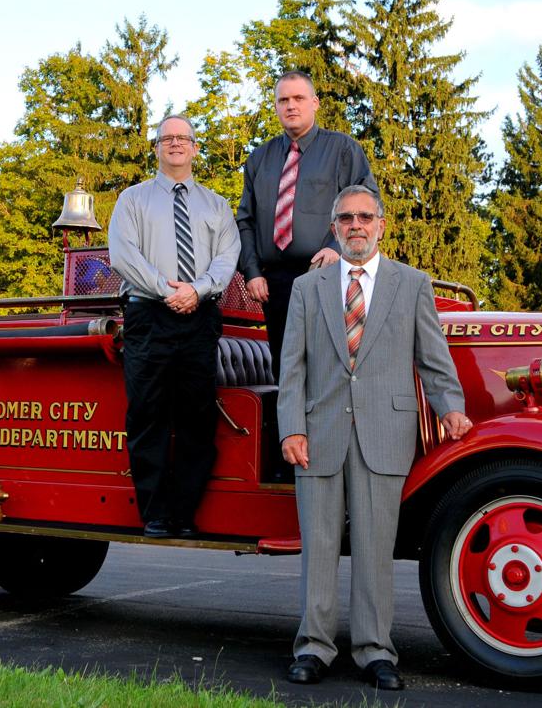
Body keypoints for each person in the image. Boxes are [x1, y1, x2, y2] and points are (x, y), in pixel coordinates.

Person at [278, 185, 471, 690]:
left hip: (386, 432)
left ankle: (374, 652)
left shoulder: (412, 285)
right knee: (318, 547)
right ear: (335, 228)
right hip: (318, 433)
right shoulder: (308, 288)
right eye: (346, 218)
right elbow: (292, 366)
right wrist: (291, 427)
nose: (356, 226)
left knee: (374, 547)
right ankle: (313, 648)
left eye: (365, 217)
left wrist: (450, 409)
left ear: (381, 225)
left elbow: (433, 358)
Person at [108, 115, 241, 538]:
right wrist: (168, 289)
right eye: (168, 138)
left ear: (195, 148)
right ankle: (155, 514)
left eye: (183, 138)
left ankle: (184, 514)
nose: (176, 144)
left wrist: (196, 290)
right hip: (149, 313)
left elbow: (227, 256)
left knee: (196, 418)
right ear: (158, 148)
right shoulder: (132, 200)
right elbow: (123, 255)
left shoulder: (216, 205)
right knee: (147, 413)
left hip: (199, 316)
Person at [236, 70, 377, 379]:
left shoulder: (343, 150)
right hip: (275, 285)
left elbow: (366, 207)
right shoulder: (259, 158)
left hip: (329, 277)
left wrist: (336, 248)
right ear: (275, 106)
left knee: (330, 369)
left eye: (299, 98)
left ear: (314, 103)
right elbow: (244, 219)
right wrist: (252, 272)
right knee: (286, 370)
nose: (291, 106)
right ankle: (290, 429)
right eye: (283, 100)